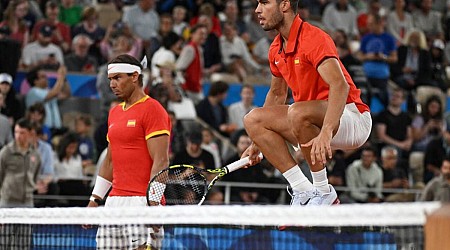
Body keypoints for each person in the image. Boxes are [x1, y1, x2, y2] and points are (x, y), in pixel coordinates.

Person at [242, 0, 371, 206]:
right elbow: (276, 95)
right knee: (253, 120)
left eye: (265, 3)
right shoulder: (276, 48)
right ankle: (303, 191)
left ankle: (323, 192)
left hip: (351, 117)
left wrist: (326, 132)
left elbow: (340, 86)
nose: (257, 10)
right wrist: (258, 141)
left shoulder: (314, 38)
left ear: (284, 5)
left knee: (297, 112)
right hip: (309, 121)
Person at [87, 54, 170, 249]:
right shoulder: (114, 112)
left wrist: (153, 203)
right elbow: (109, 161)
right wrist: (94, 200)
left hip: (142, 202)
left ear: (134, 76)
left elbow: (161, 161)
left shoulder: (153, 109)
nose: (112, 84)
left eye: (117, 78)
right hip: (114, 203)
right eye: (110, 79)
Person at [0, 118, 41, 248]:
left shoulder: (35, 154)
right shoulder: (6, 152)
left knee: (24, 243)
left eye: (22, 132)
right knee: (3, 243)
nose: (18, 136)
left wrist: (31, 188)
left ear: (30, 133)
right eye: (16, 132)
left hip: (27, 204)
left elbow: (35, 176)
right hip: (7, 203)